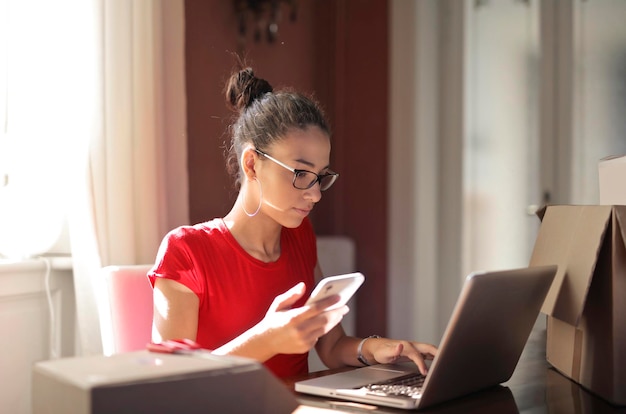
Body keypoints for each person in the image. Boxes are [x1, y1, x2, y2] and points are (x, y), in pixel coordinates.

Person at [148, 66, 437, 379]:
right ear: (252, 164)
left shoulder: (300, 239)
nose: (314, 195)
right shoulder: (187, 250)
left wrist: (376, 348)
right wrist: (266, 340)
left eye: (320, 176)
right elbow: (170, 380)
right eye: (300, 173)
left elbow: (332, 345)